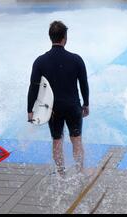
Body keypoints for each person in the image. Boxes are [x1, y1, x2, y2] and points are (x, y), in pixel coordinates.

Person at [27, 21, 90, 177]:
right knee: (76, 140)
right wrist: (86, 104)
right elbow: (83, 84)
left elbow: (33, 86)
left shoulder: (40, 61)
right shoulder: (76, 59)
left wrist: (30, 110)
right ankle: (80, 171)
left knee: (57, 140)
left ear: (51, 37)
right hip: (73, 106)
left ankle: (61, 173)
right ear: (65, 38)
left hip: (53, 108)